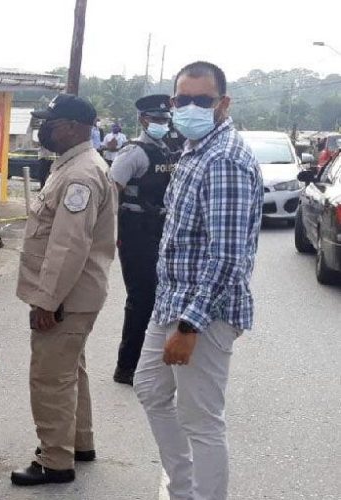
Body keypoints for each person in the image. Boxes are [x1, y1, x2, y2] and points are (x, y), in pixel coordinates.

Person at [134, 61, 263, 500]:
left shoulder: (224, 158)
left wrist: (189, 327)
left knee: (202, 421)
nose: (190, 107)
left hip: (205, 311)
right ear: (172, 103)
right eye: (182, 100)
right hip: (173, 301)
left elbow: (227, 257)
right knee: (149, 387)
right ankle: (182, 485)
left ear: (222, 104)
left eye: (202, 100)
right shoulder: (195, 148)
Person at [11, 94, 117, 486]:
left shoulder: (79, 175)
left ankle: (54, 461)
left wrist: (46, 302)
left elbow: (68, 246)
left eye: (52, 123)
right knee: (71, 370)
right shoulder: (73, 166)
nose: (45, 129)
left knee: (50, 377)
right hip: (76, 295)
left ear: (73, 126)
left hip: (66, 297)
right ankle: (78, 442)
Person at [110, 94, 178, 386]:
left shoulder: (167, 151)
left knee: (159, 298)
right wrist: (110, 234)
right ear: (143, 120)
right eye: (156, 119)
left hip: (160, 231)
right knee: (141, 299)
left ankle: (148, 364)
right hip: (136, 232)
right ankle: (126, 367)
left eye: (165, 119)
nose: (162, 124)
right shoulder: (132, 153)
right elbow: (110, 193)